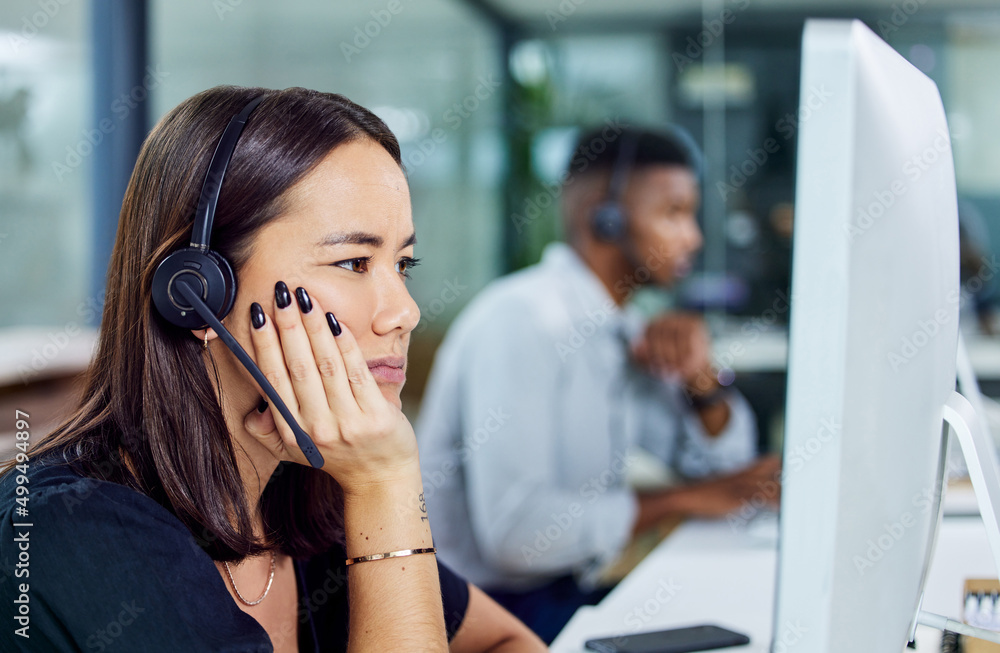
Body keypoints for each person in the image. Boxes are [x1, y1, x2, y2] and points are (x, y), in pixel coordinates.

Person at [0, 86, 545, 652]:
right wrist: (386, 486)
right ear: (195, 292)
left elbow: (506, 641)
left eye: (403, 264)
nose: (405, 312)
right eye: (353, 262)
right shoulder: (72, 532)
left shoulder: (301, 493)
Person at [416, 126, 780, 643]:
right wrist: (683, 500)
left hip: (562, 592)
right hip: (481, 617)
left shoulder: (621, 329)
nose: (693, 236)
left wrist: (702, 380)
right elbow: (516, 536)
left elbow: (724, 469)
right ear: (602, 215)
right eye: (673, 212)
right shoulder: (523, 322)